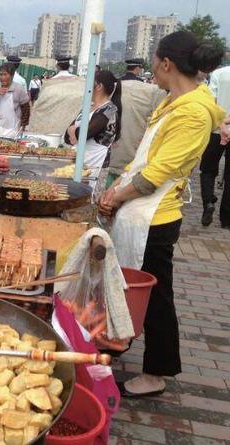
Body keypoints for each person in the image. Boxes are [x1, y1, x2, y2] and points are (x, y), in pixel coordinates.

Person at [98, 31, 225, 397]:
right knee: (133, 287)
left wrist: (117, 196)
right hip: (138, 210)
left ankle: (157, 372)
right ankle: (119, 342)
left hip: (155, 217)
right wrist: (116, 189)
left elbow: (156, 174)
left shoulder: (195, 112)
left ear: (166, 63)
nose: (152, 68)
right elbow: (145, 158)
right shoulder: (174, 101)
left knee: (156, 295)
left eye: (154, 61)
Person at [64, 70, 122, 170]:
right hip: (78, 163)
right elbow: (67, 137)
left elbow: (83, 134)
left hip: (96, 166)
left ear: (99, 86)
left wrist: (74, 131)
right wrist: (74, 133)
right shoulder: (87, 107)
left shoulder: (109, 109)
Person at [200, 63, 230, 228]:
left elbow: (212, 103)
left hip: (215, 130)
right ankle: (226, 219)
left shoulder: (219, 73)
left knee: (207, 170)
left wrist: (221, 124)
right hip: (223, 127)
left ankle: (208, 202)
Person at [0, 63, 30, 142]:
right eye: (1, 75)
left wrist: (22, 126)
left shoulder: (18, 89)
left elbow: (26, 109)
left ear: (12, 75)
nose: (2, 78)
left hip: (12, 130)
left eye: (5, 75)